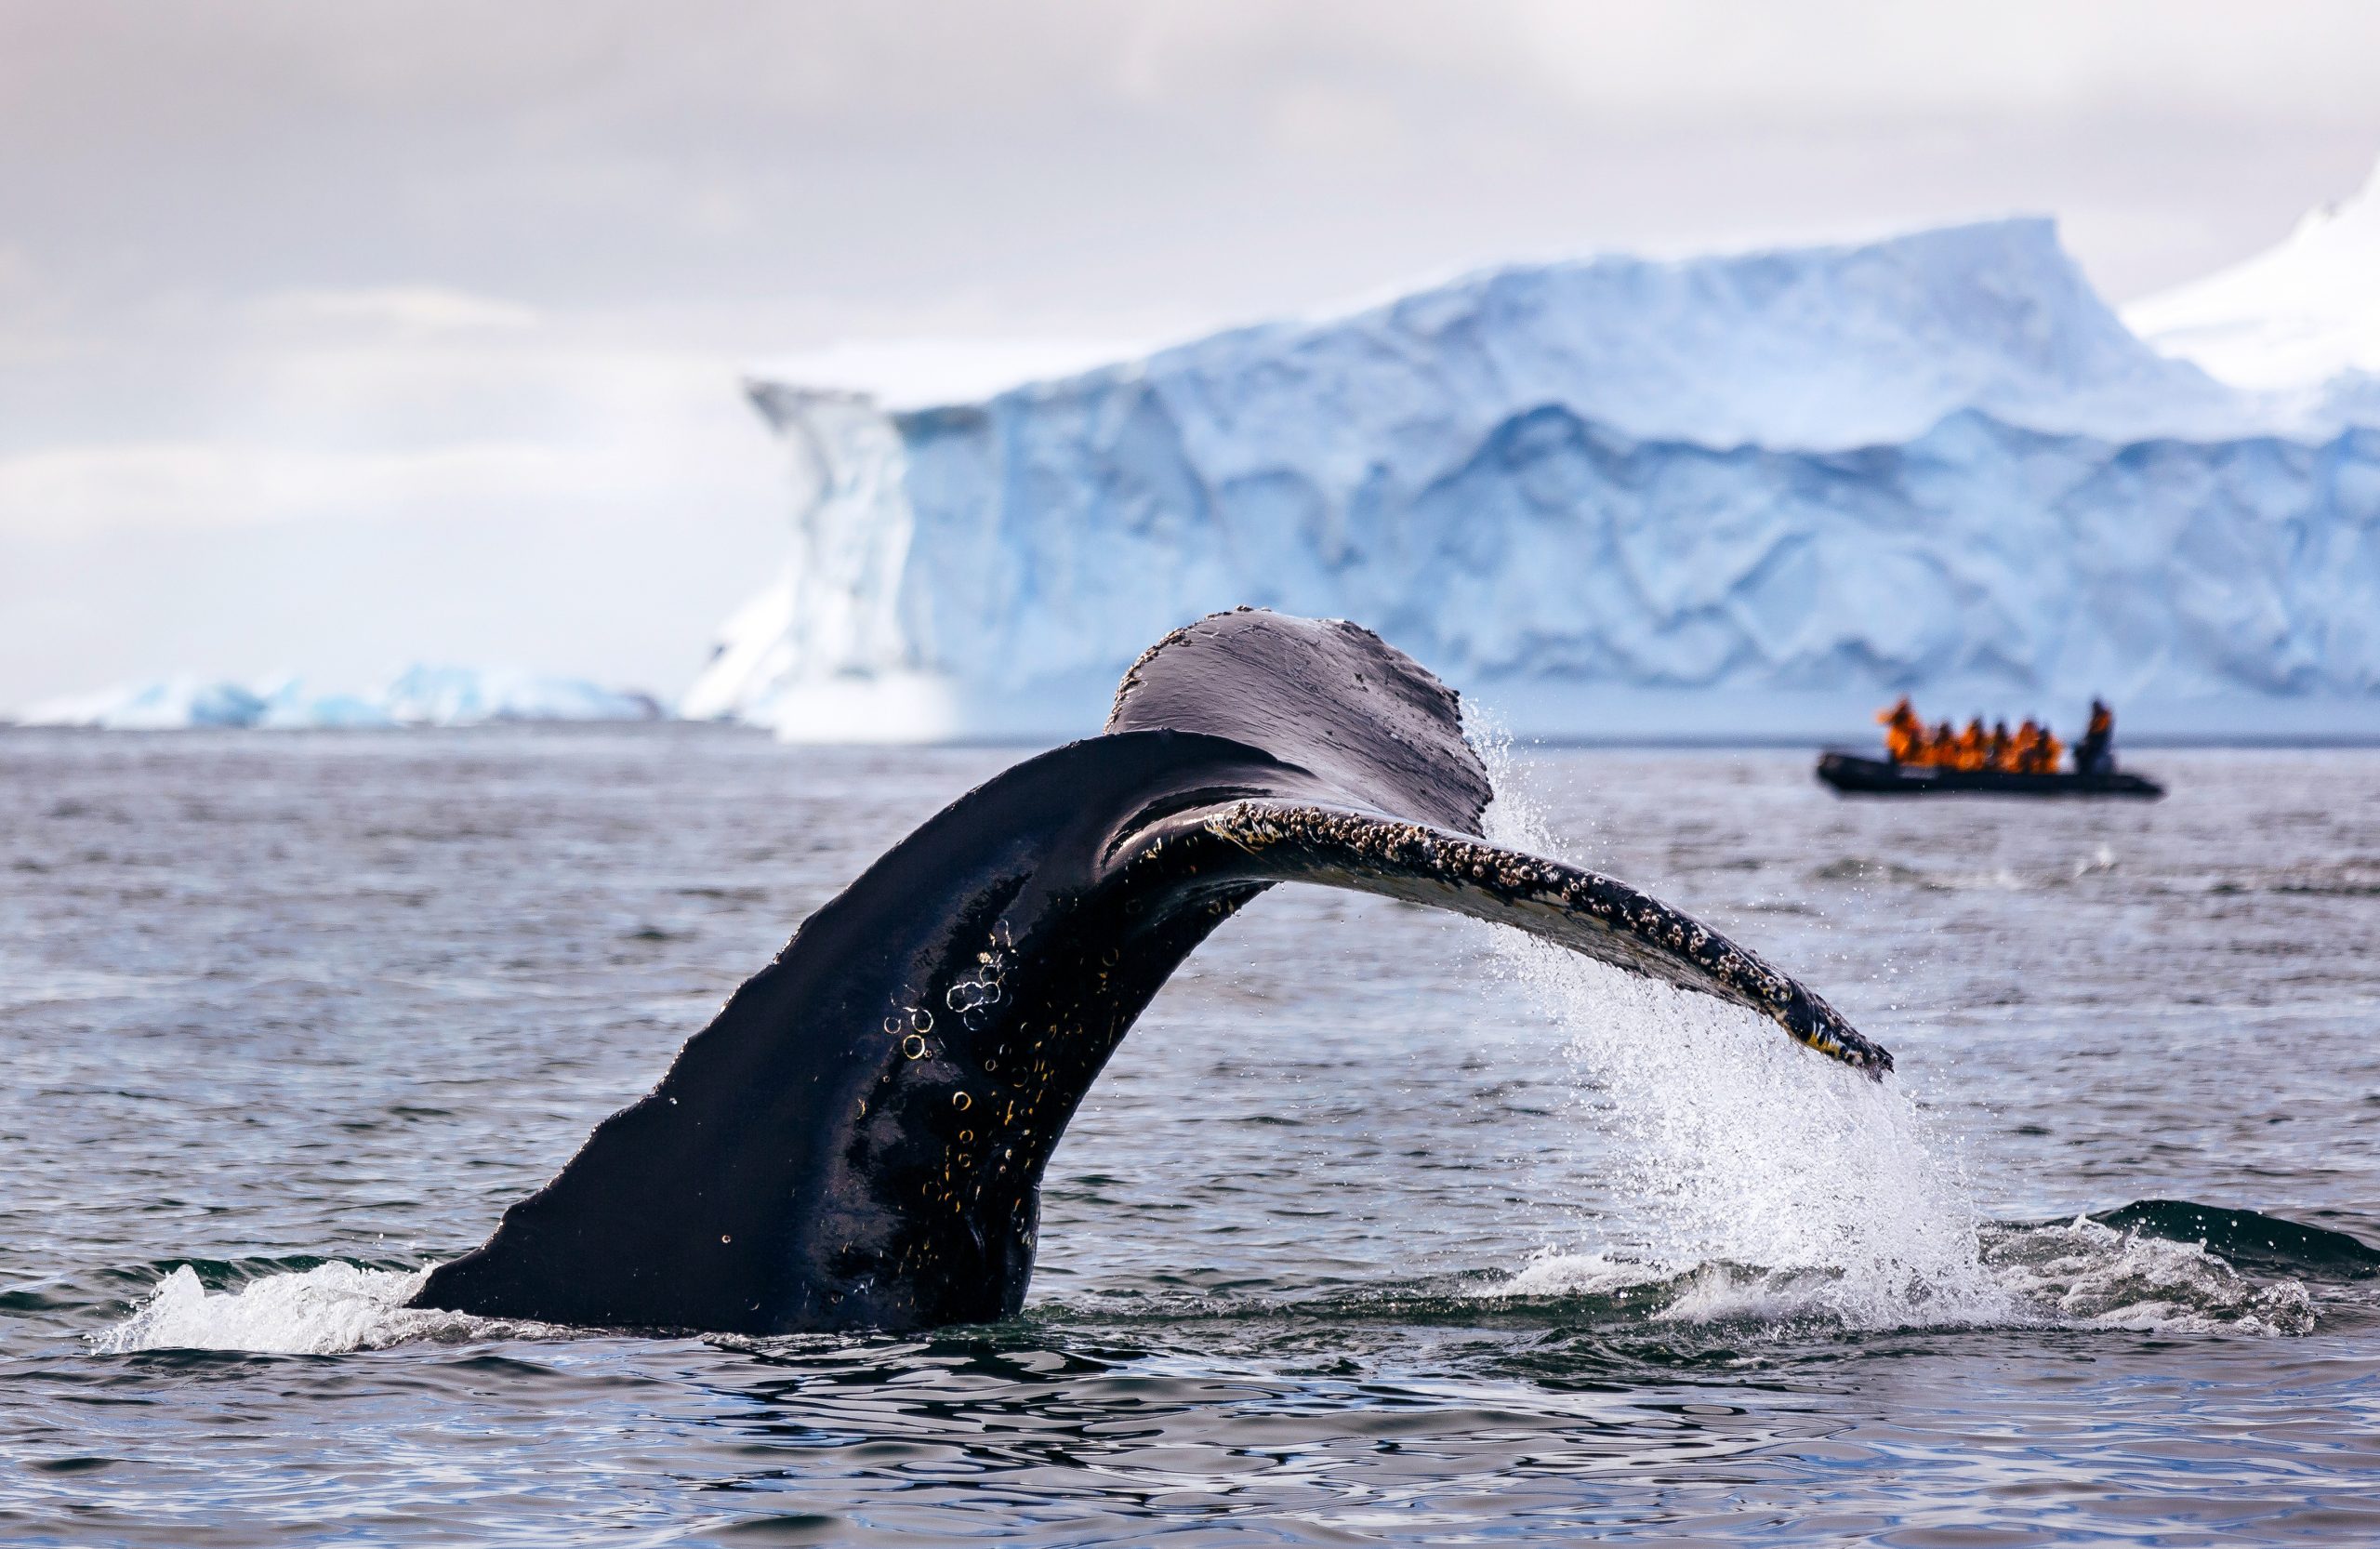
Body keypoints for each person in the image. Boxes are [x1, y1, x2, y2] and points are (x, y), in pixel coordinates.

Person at [2074, 697, 2115, 774]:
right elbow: (2090, 732)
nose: (2094, 709)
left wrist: (2089, 740)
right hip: (2093, 742)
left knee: (2088, 752)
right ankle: (2083, 770)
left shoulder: (2104, 717)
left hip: (2100, 743)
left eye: (2095, 707)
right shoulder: (2095, 718)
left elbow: (2097, 730)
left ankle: (2090, 770)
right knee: (2079, 751)